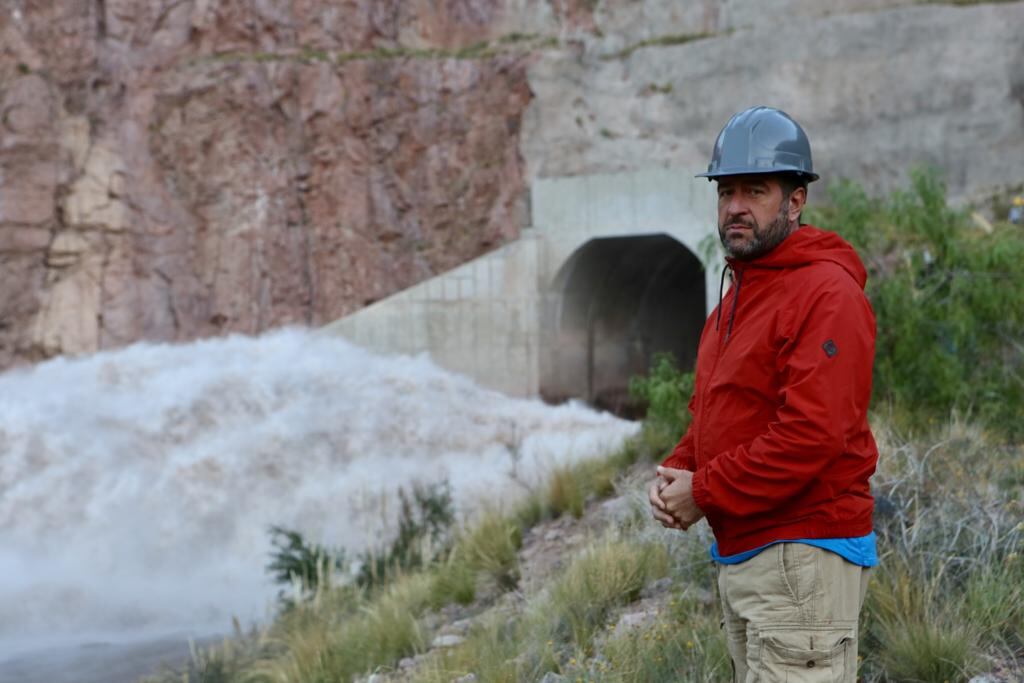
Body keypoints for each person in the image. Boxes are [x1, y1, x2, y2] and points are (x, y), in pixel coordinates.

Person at [648, 106, 878, 681]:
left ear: (795, 201)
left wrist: (702, 491)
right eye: (726, 191)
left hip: (803, 558)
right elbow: (720, 409)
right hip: (749, 557)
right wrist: (679, 469)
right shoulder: (735, 302)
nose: (736, 207)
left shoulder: (826, 293)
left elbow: (811, 436)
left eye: (756, 190)